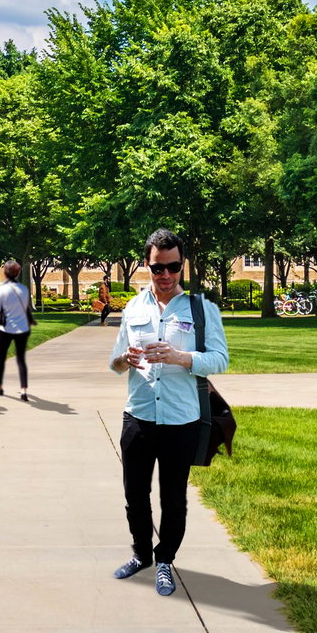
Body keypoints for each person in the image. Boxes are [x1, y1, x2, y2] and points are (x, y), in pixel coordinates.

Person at [107, 228, 227, 596]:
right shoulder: (133, 307)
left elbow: (220, 360)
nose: (166, 275)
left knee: (174, 498)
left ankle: (165, 561)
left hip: (181, 419)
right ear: (147, 265)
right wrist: (124, 360)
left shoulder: (201, 310)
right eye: (158, 268)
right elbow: (113, 363)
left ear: (182, 265)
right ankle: (141, 553)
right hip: (138, 415)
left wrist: (181, 357)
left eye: (173, 267)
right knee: (134, 494)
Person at [0, 260, 34, 400]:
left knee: (1, 358)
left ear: (5, 272)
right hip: (22, 328)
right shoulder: (24, 289)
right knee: (21, 360)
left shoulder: (1, 290)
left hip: (5, 328)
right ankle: (23, 390)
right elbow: (25, 307)